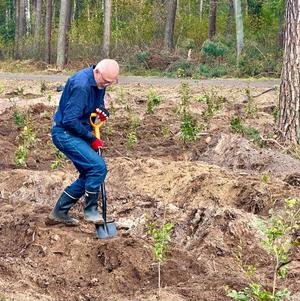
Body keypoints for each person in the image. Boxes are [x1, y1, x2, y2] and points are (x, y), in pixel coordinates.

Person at [49, 59, 119, 226]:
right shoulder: (82, 86)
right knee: (98, 167)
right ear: (97, 72)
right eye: (106, 81)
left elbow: (96, 105)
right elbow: (70, 121)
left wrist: (101, 111)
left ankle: (59, 212)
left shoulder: (99, 83)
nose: (107, 85)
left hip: (77, 132)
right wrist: (91, 138)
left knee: (89, 173)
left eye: (111, 82)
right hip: (65, 134)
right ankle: (90, 210)